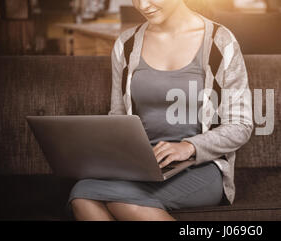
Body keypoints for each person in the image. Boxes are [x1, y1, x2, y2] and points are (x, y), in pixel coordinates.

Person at [67, 0, 253, 221]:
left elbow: (241, 124)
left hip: (201, 165)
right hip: (140, 166)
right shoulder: (126, 44)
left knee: (124, 203)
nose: (143, 5)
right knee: (81, 195)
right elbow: (117, 116)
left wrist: (188, 146)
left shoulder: (220, 42)